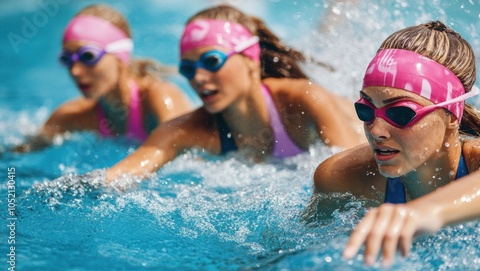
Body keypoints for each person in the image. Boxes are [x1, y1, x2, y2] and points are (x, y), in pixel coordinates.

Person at [311, 21, 480, 267]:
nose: (376, 131)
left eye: (401, 114)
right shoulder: (342, 179)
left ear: (452, 116)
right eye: (366, 111)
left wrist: (426, 211)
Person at [104, 4, 364, 181]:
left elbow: (362, 169)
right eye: (188, 68)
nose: (198, 77)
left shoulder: (305, 100)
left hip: (357, 118)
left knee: (326, 39)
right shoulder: (186, 130)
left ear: (251, 60)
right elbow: (120, 176)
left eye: (211, 61)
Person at [13, 4, 193, 152]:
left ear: (120, 57)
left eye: (88, 57)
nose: (75, 71)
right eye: (67, 59)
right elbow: (18, 156)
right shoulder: (74, 115)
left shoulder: (160, 97)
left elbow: (185, 157)